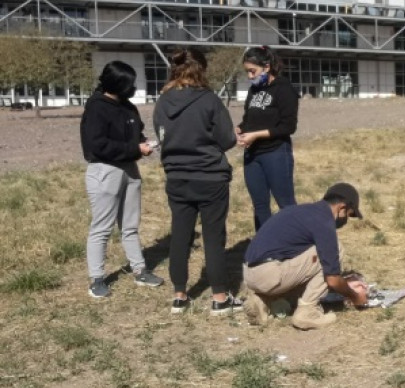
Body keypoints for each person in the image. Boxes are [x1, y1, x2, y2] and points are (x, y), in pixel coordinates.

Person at [153, 48, 241, 315]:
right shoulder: (210, 100)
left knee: (180, 236)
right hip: (210, 176)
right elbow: (226, 140)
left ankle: (179, 295)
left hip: (177, 176)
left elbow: (161, 136)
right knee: (214, 238)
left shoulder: (163, 102)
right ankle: (220, 298)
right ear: (201, 69)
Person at [81, 61, 164, 298]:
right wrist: (135, 148)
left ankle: (139, 270)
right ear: (116, 84)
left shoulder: (128, 107)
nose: (134, 87)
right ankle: (96, 278)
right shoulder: (96, 108)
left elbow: (135, 134)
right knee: (102, 228)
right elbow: (97, 145)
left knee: (130, 225)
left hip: (130, 169)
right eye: (129, 84)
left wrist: (143, 143)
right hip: (105, 171)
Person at [242, 182, 369, 330]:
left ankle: (263, 301)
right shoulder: (324, 221)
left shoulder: (302, 211)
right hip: (269, 274)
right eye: (349, 214)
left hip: (250, 274)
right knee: (335, 251)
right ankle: (307, 312)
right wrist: (354, 296)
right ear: (342, 207)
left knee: (315, 259)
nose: (347, 219)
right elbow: (332, 279)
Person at [236, 46, 299, 231]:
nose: (249, 76)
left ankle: (294, 245)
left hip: (276, 153)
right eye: (247, 71)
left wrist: (256, 135)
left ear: (267, 66)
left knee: (285, 203)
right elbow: (248, 120)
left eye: (252, 71)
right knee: (260, 205)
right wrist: (240, 129)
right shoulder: (253, 91)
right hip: (252, 156)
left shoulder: (284, 88)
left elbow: (288, 126)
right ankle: (265, 247)